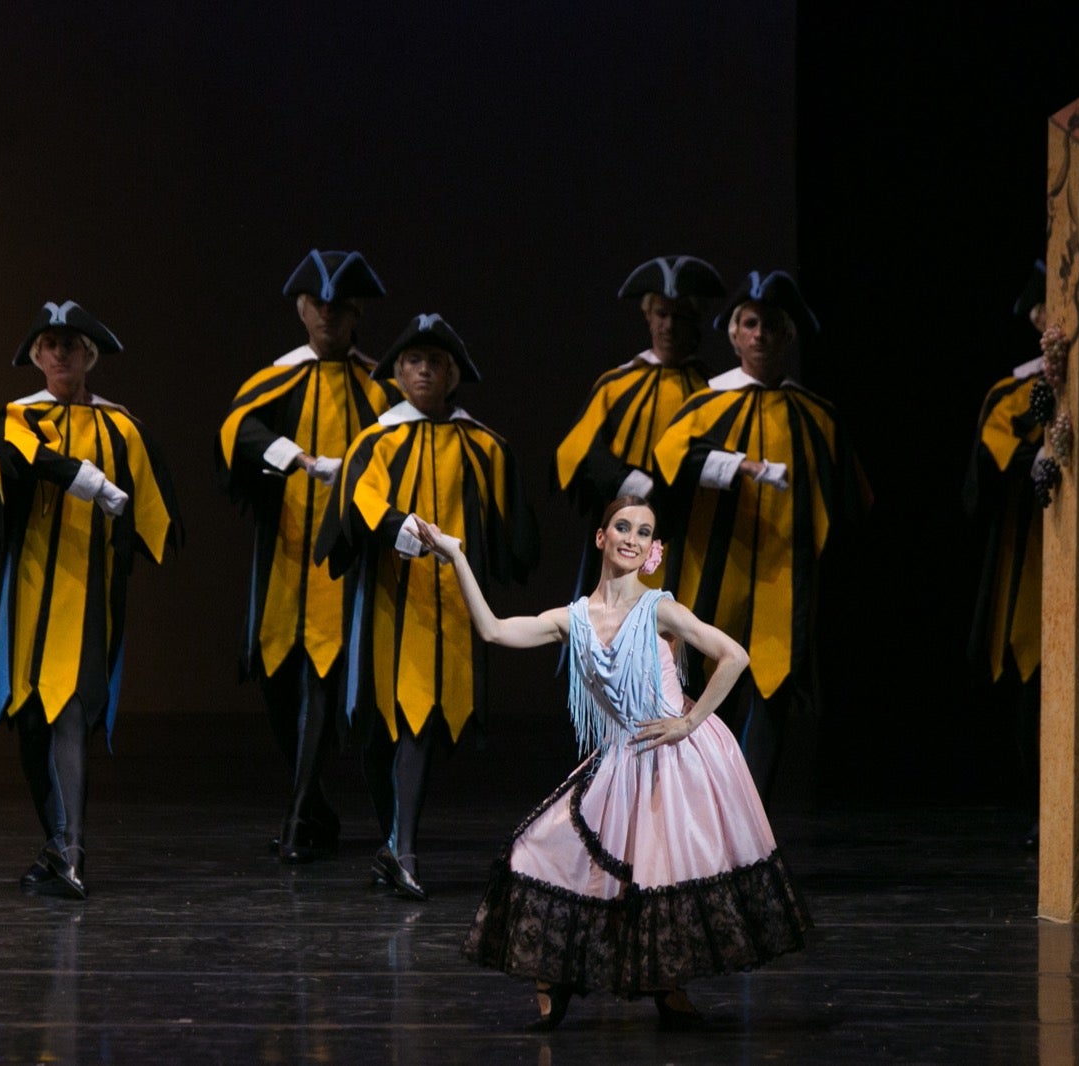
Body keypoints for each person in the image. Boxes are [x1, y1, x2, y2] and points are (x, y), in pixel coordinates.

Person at [434, 496, 808, 1029]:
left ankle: (667, 987)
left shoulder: (660, 609)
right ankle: (559, 976)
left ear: (651, 549)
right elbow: (494, 630)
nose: (632, 537)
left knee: (662, 872)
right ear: (602, 538)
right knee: (543, 851)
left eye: (644, 532)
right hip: (623, 758)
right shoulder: (574, 619)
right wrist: (455, 556)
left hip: (677, 758)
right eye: (623, 527)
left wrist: (687, 721)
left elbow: (735, 656)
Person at [315, 313, 538, 901]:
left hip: (449, 614)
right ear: (395, 372)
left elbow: (513, 532)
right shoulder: (376, 441)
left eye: (434, 362)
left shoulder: (483, 445)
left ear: (453, 374)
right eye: (412, 360)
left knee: (419, 723)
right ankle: (394, 842)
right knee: (378, 729)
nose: (422, 370)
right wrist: (398, 528)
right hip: (388, 606)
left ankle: (403, 846)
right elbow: (356, 506)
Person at [0, 300, 180, 899]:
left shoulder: (122, 428)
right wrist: (85, 479)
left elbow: (156, 517)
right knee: (29, 720)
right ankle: (57, 842)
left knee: (70, 711)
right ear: (38, 356)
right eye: (50, 344)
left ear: (88, 355)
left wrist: (125, 533)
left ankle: (73, 851)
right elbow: (16, 457)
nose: (60, 352)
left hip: (87, 591)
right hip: (29, 589)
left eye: (71, 344)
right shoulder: (17, 416)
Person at [653, 271, 870, 798]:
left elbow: (850, 503)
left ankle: (747, 814)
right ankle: (703, 815)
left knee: (772, 694)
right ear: (732, 334)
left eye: (772, 326)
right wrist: (736, 468)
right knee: (709, 690)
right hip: (715, 572)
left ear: (788, 336)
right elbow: (670, 467)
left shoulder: (818, 416)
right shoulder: (706, 405)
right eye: (750, 324)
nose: (760, 335)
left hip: (784, 578)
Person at [217, 249, 393, 863]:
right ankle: (314, 803)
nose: (327, 316)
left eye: (339, 307)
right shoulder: (279, 376)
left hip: (343, 558)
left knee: (323, 674)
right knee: (273, 679)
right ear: (300, 309)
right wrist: (296, 458)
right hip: (285, 552)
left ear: (357, 313)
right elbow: (237, 430)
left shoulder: (379, 384)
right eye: (317, 304)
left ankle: (297, 818)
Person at [552, 255, 725, 593]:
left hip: (690, 540)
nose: (669, 326)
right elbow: (581, 451)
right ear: (647, 316)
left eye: (681, 316)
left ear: (697, 322)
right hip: (621, 536)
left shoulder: (714, 393)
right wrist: (632, 483)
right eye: (661, 314)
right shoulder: (615, 386)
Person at [964, 260, 1046, 843]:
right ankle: (1047, 807)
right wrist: (1038, 456)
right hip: (1029, 562)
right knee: (1028, 685)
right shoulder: (1017, 393)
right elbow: (987, 471)